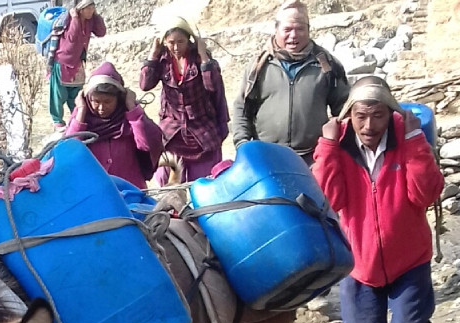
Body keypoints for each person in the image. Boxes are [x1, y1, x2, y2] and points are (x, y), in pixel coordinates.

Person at [312, 76, 444, 323]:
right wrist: (326, 146)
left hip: (409, 257)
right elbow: (328, 200)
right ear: (348, 116)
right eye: (361, 116)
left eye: (379, 116)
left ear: (391, 114)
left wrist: (416, 140)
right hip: (358, 262)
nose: (370, 126)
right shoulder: (337, 146)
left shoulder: (407, 140)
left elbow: (426, 194)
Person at [233, 0, 350, 166]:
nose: (293, 36)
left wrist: (333, 145)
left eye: (300, 29)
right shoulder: (258, 66)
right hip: (267, 158)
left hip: (314, 158)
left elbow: (344, 110)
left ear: (309, 30)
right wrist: (243, 145)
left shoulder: (327, 65)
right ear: (276, 30)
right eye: (287, 29)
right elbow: (242, 109)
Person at [139, 16, 229, 185]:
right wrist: (152, 54)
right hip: (172, 131)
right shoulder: (162, 60)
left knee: (206, 184)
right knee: (169, 187)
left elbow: (212, 86)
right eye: (171, 42)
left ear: (189, 40)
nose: (176, 47)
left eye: (181, 42)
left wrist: (203, 54)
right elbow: (145, 84)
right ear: (164, 41)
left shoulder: (199, 59)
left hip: (201, 131)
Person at [65, 62, 164, 188]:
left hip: (130, 193)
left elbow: (146, 144)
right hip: (94, 193)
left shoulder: (129, 119)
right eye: (96, 101)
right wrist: (81, 111)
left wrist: (132, 109)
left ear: (119, 99)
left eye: (108, 101)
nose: (101, 108)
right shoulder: (83, 118)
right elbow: (69, 150)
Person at [48, 0, 106, 132]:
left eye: (93, 8)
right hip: (63, 62)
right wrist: (74, 18)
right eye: (88, 8)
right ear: (81, 9)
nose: (91, 11)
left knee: (76, 93)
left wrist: (96, 16)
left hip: (78, 62)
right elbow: (72, 38)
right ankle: (57, 121)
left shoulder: (90, 20)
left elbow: (101, 32)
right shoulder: (69, 19)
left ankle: (76, 117)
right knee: (58, 94)